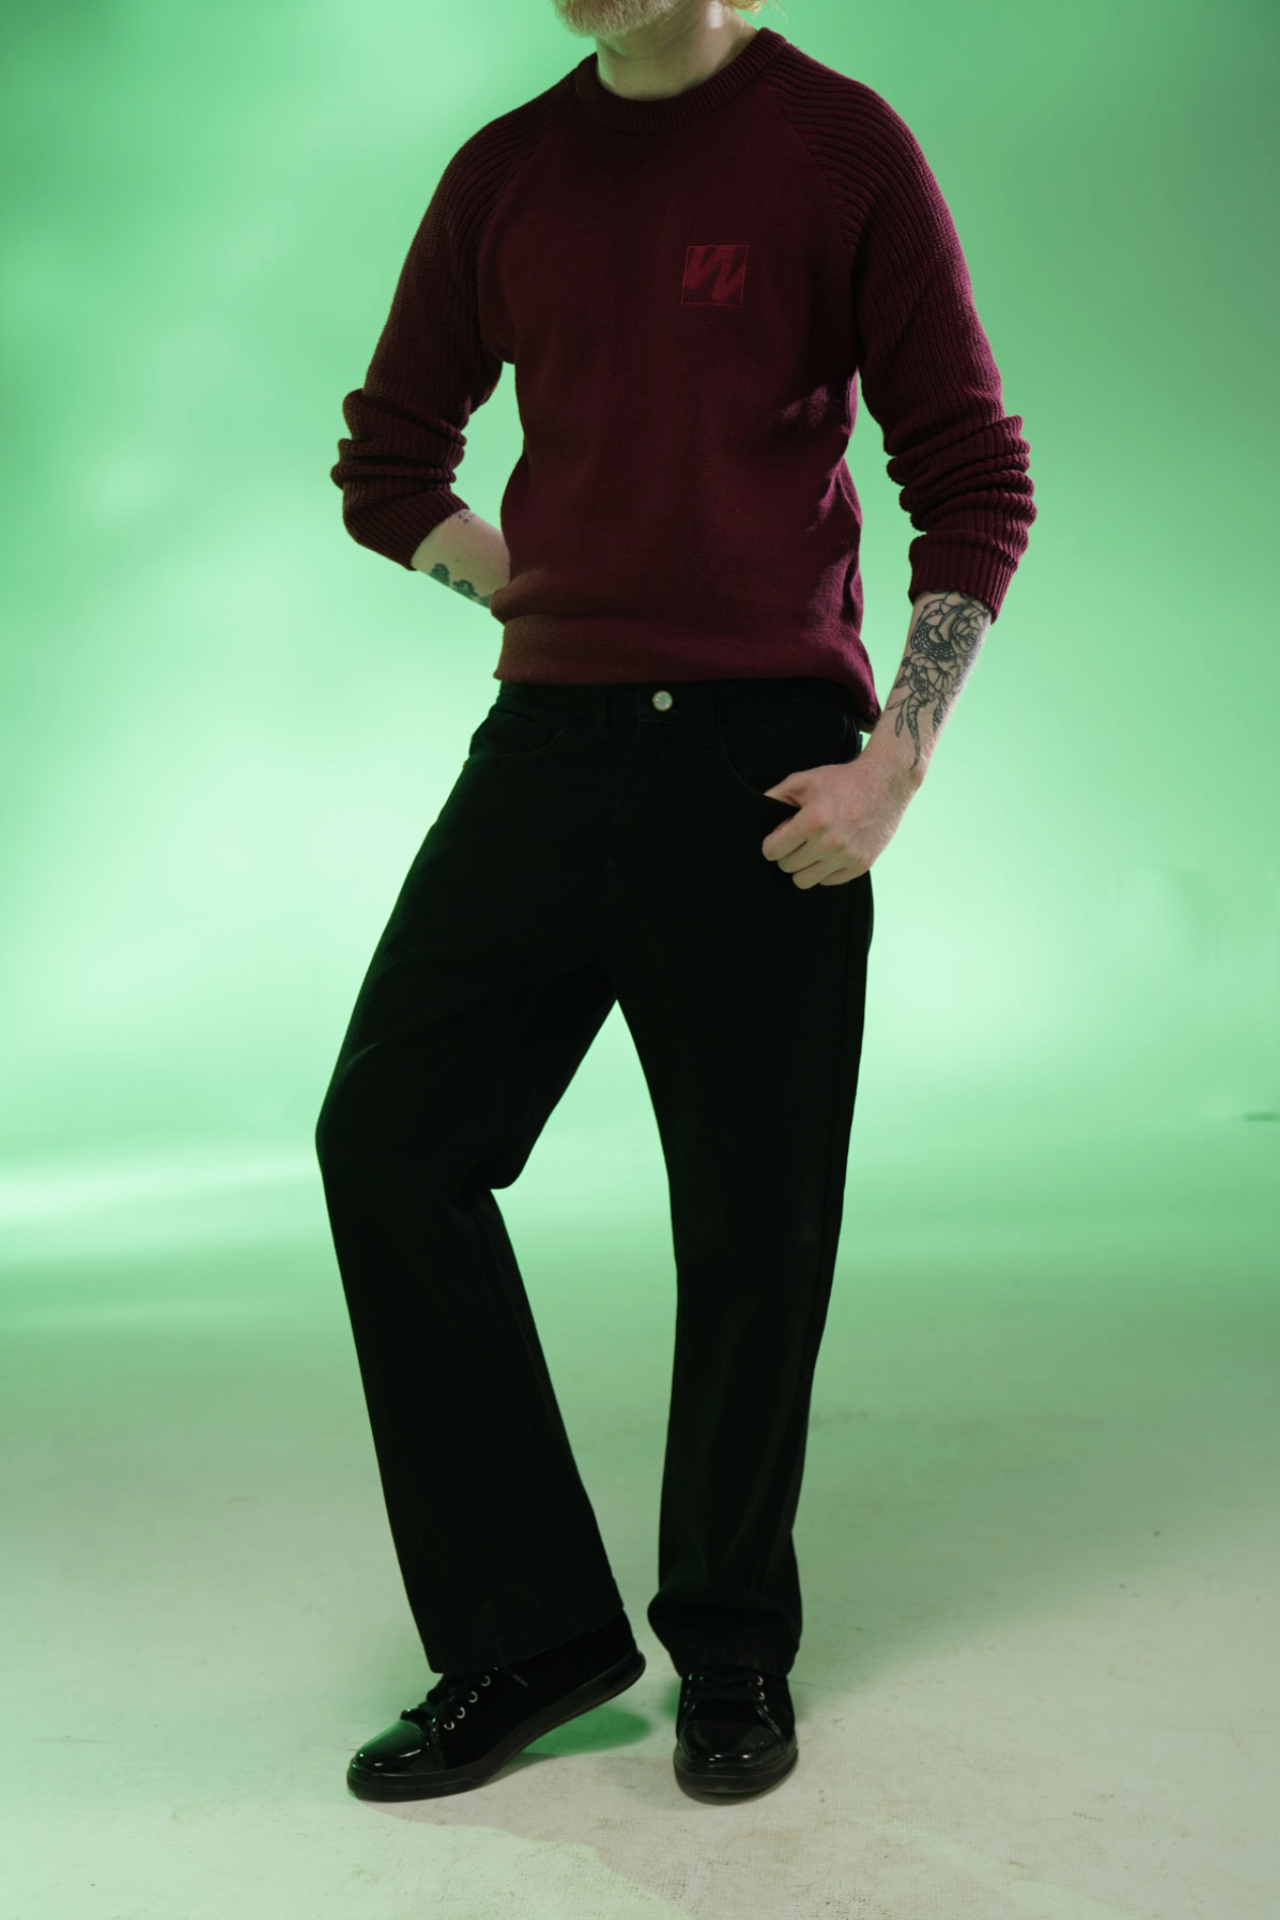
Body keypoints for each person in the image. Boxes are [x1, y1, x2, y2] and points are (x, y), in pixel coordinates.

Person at [317, 0, 1036, 1805]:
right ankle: (530, 1632)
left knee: (752, 1220)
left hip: (761, 759)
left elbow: (969, 474)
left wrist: (893, 763)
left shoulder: (839, 148)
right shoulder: (505, 172)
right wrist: (535, 590)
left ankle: (730, 1641)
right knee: (387, 1143)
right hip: (549, 750)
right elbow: (389, 464)